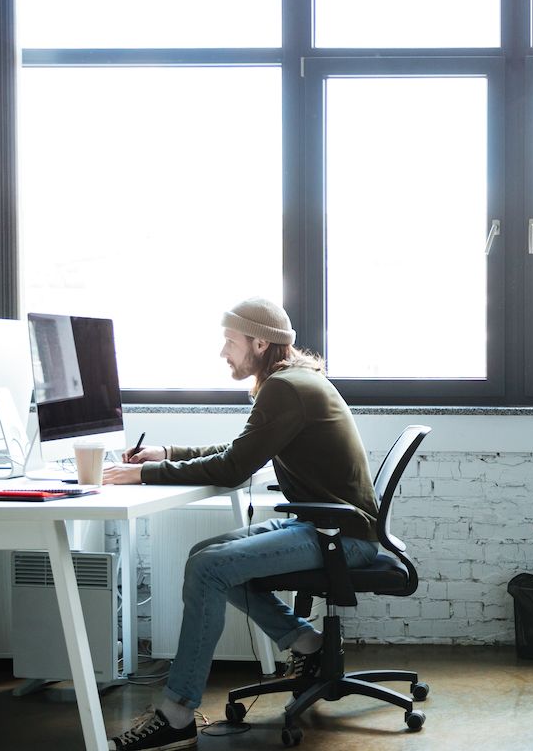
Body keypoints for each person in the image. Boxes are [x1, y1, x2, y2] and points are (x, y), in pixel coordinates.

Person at [101, 298, 381, 751]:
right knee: (205, 558)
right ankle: (307, 645)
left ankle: (176, 715)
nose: (222, 352)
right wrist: (169, 454)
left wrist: (143, 473)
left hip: (342, 536)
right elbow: (241, 452)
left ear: (259, 342)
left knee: (210, 568)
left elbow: (233, 468)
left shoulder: (286, 388)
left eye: (230, 341)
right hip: (327, 526)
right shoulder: (292, 382)